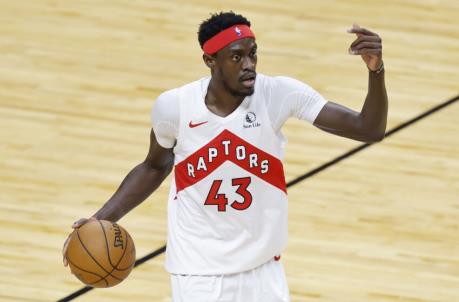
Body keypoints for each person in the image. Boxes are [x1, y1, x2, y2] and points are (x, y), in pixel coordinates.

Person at [63, 11, 387, 302]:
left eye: (253, 54)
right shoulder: (174, 107)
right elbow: (154, 165)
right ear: (210, 60)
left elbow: (368, 129)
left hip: (263, 268)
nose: (249, 65)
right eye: (236, 57)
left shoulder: (277, 94)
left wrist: (376, 71)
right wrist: (103, 218)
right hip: (199, 272)